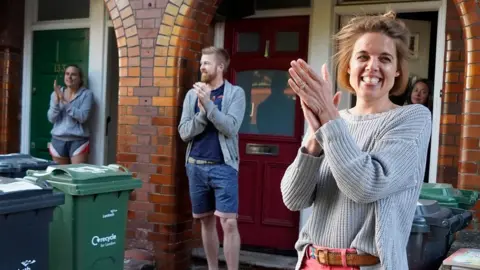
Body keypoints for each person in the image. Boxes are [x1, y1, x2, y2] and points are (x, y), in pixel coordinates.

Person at [281, 11, 432, 270]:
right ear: (349, 66)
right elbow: (294, 199)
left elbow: (366, 185)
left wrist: (329, 121)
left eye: (384, 59)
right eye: (362, 56)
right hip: (312, 262)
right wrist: (314, 141)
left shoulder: (412, 118)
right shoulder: (334, 121)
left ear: (397, 71)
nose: (372, 66)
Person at [178, 46, 246, 270]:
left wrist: (208, 105)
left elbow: (230, 128)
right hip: (195, 166)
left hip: (223, 167)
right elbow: (184, 132)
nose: (201, 67)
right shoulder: (191, 95)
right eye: (201, 63)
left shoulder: (235, 94)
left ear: (220, 66)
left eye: (206, 63)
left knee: (228, 222)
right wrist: (201, 114)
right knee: (206, 221)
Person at [47, 64, 94, 164]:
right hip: (58, 140)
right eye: (67, 74)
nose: (69, 77)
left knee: (77, 174)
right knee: (60, 176)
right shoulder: (55, 94)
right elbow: (51, 118)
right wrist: (56, 102)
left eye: (73, 74)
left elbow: (82, 117)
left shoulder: (87, 94)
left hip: (78, 141)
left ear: (80, 78)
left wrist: (64, 102)